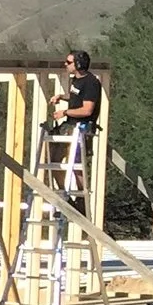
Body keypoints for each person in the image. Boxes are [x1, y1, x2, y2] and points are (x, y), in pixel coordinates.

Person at [51, 49, 101, 198]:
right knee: (53, 160)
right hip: (70, 125)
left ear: (78, 64)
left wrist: (65, 112)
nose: (65, 64)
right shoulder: (76, 80)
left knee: (77, 164)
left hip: (81, 128)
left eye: (68, 62)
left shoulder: (91, 83)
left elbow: (87, 110)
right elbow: (76, 97)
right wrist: (62, 97)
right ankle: (64, 196)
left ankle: (81, 199)